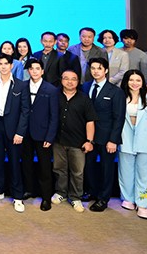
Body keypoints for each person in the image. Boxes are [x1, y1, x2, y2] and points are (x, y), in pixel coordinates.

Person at [0, 53, 30, 212]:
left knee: (14, 163)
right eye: (0, 64)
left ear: (12, 65)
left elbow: (25, 111)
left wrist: (20, 132)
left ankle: (18, 196)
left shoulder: (21, 85)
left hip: (14, 129)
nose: (3, 66)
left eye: (6, 63)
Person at [82, 57, 125, 211]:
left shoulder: (116, 91)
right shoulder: (85, 87)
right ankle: (91, 192)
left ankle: (103, 198)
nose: (95, 71)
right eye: (93, 68)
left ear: (106, 70)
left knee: (106, 169)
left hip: (107, 137)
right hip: (88, 136)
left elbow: (119, 118)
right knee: (89, 166)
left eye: (99, 68)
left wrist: (113, 140)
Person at [118, 69, 147, 220]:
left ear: (143, 82)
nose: (134, 83)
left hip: (146, 141)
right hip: (125, 139)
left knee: (146, 174)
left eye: (138, 80)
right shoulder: (121, 97)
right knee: (126, 171)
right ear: (126, 81)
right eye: (131, 80)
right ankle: (128, 199)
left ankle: (143, 204)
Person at [51, 69, 96, 213]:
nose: (69, 82)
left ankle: (76, 197)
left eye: (73, 79)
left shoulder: (84, 98)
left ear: (78, 81)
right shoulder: (54, 96)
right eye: (66, 78)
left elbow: (90, 121)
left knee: (77, 172)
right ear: (61, 80)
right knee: (59, 169)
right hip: (58, 141)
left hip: (78, 142)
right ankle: (61, 193)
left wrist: (89, 141)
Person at [21, 59, 59, 211]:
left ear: (42, 71)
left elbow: (54, 116)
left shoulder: (51, 90)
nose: (34, 71)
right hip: (25, 133)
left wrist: (50, 137)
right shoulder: (22, 86)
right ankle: (29, 190)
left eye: (38, 68)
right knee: (26, 164)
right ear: (28, 71)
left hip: (43, 135)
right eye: (32, 69)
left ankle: (46, 197)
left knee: (44, 168)